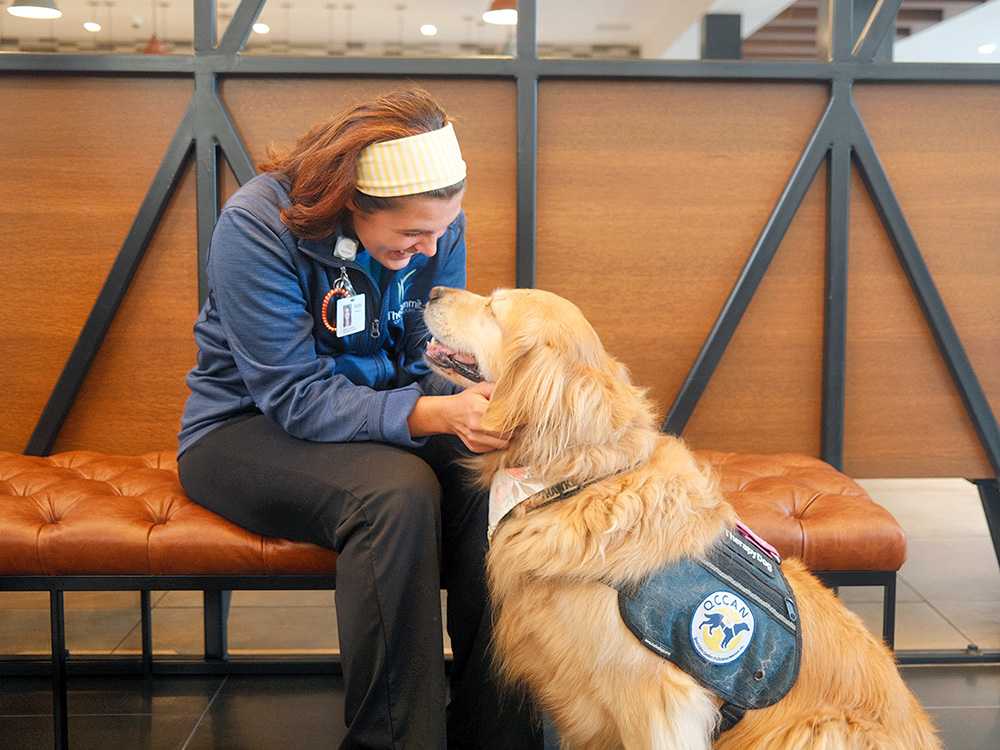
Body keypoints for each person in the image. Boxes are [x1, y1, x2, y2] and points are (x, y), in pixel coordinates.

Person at [176, 89, 544, 749]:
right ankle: (396, 739)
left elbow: (426, 356)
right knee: (394, 494)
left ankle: (501, 737)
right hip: (245, 431)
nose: (432, 251)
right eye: (412, 235)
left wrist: (481, 406)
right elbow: (294, 395)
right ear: (353, 203)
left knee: (494, 483)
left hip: (372, 425)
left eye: (443, 231)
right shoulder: (258, 223)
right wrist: (433, 411)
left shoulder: (436, 229)